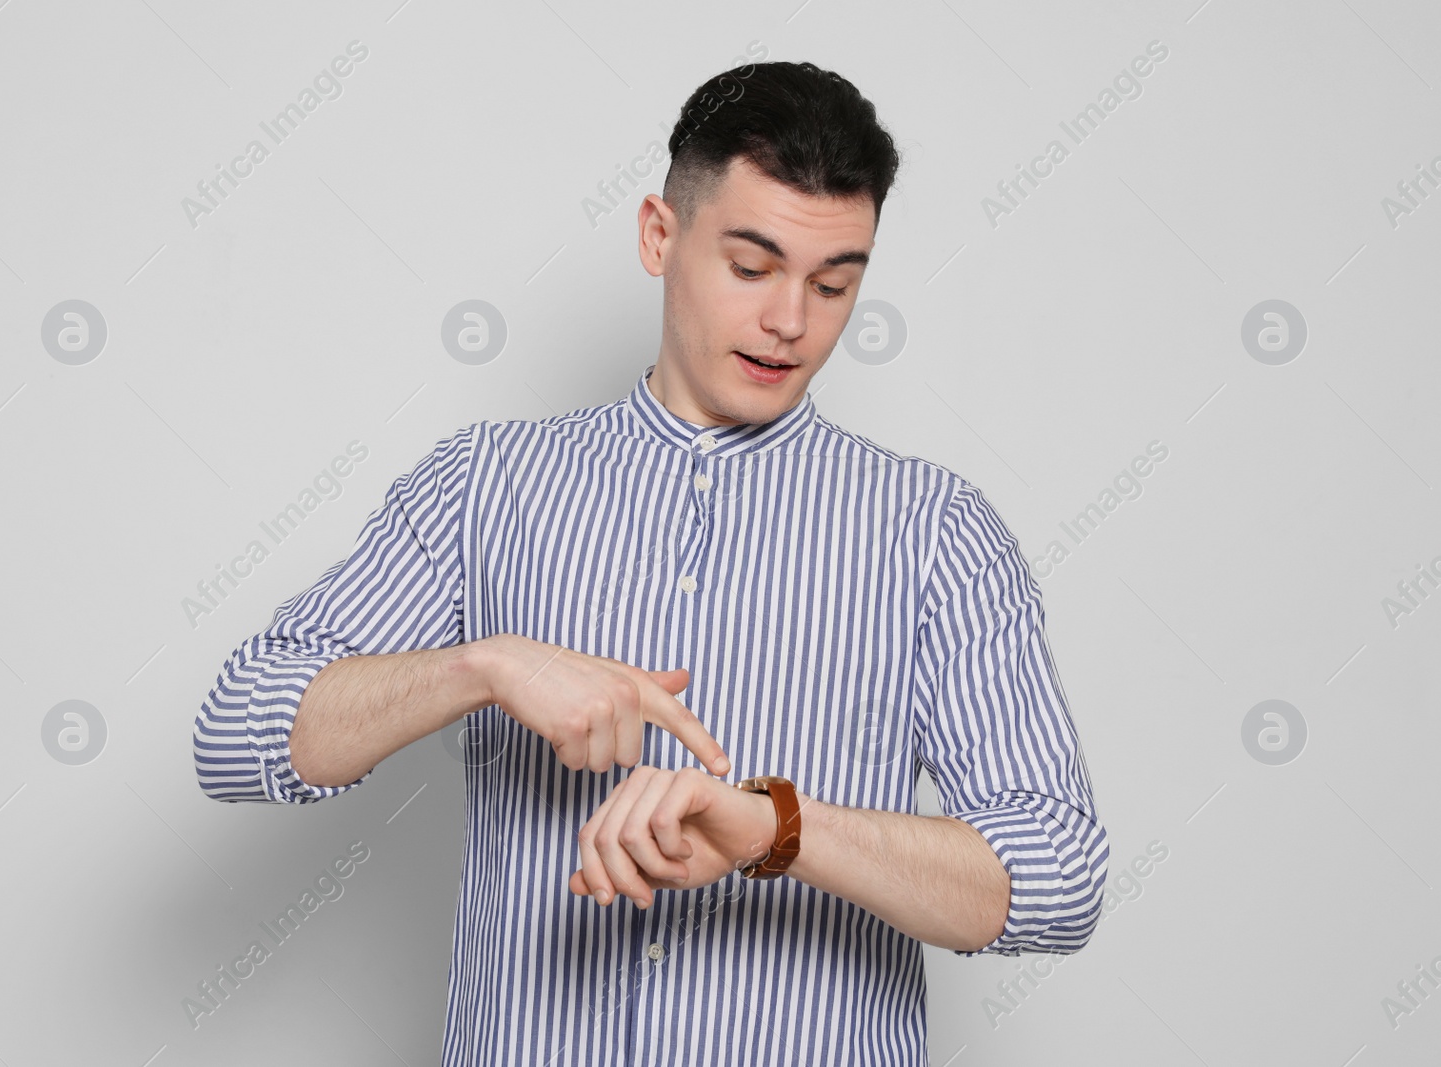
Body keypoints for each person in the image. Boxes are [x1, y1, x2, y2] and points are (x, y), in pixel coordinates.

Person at [193, 59, 1108, 1067]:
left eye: (833, 282)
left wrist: (775, 827)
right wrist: (482, 666)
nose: (791, 322)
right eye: (752, 268)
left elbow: (1058, 877)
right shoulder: (486, 487)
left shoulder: (934, 532)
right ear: (658, 236)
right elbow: (238, 731)